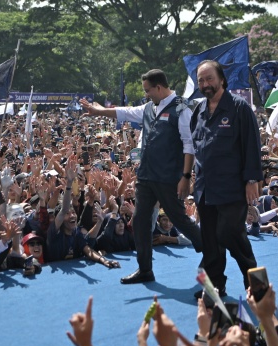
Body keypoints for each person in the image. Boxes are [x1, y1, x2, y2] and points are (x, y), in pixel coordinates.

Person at [79, 69, 202, 284]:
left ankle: (211, 249)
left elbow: (188, 144)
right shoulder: (148, 108)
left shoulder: (182, 106)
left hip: (168, 177)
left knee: (179, 219)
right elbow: (125, 112)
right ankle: (145, 269)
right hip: (146, 177)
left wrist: (185, 176)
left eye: (148, 91)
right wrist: (98, 112)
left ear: (159, 87)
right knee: (140, 221)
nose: (146, 95)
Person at [190, 60, 263, 297]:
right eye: (201, 80)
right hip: (205, 188)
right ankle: (214, 286)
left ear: (222, 79)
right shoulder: (198, 110)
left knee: (231, 235)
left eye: (209, 78)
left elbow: (252, 145)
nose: (205, 84)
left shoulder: (240, 108)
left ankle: (258, 288)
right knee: (210, 241)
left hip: (232, 187)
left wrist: (252, 180)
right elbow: (196, 147)